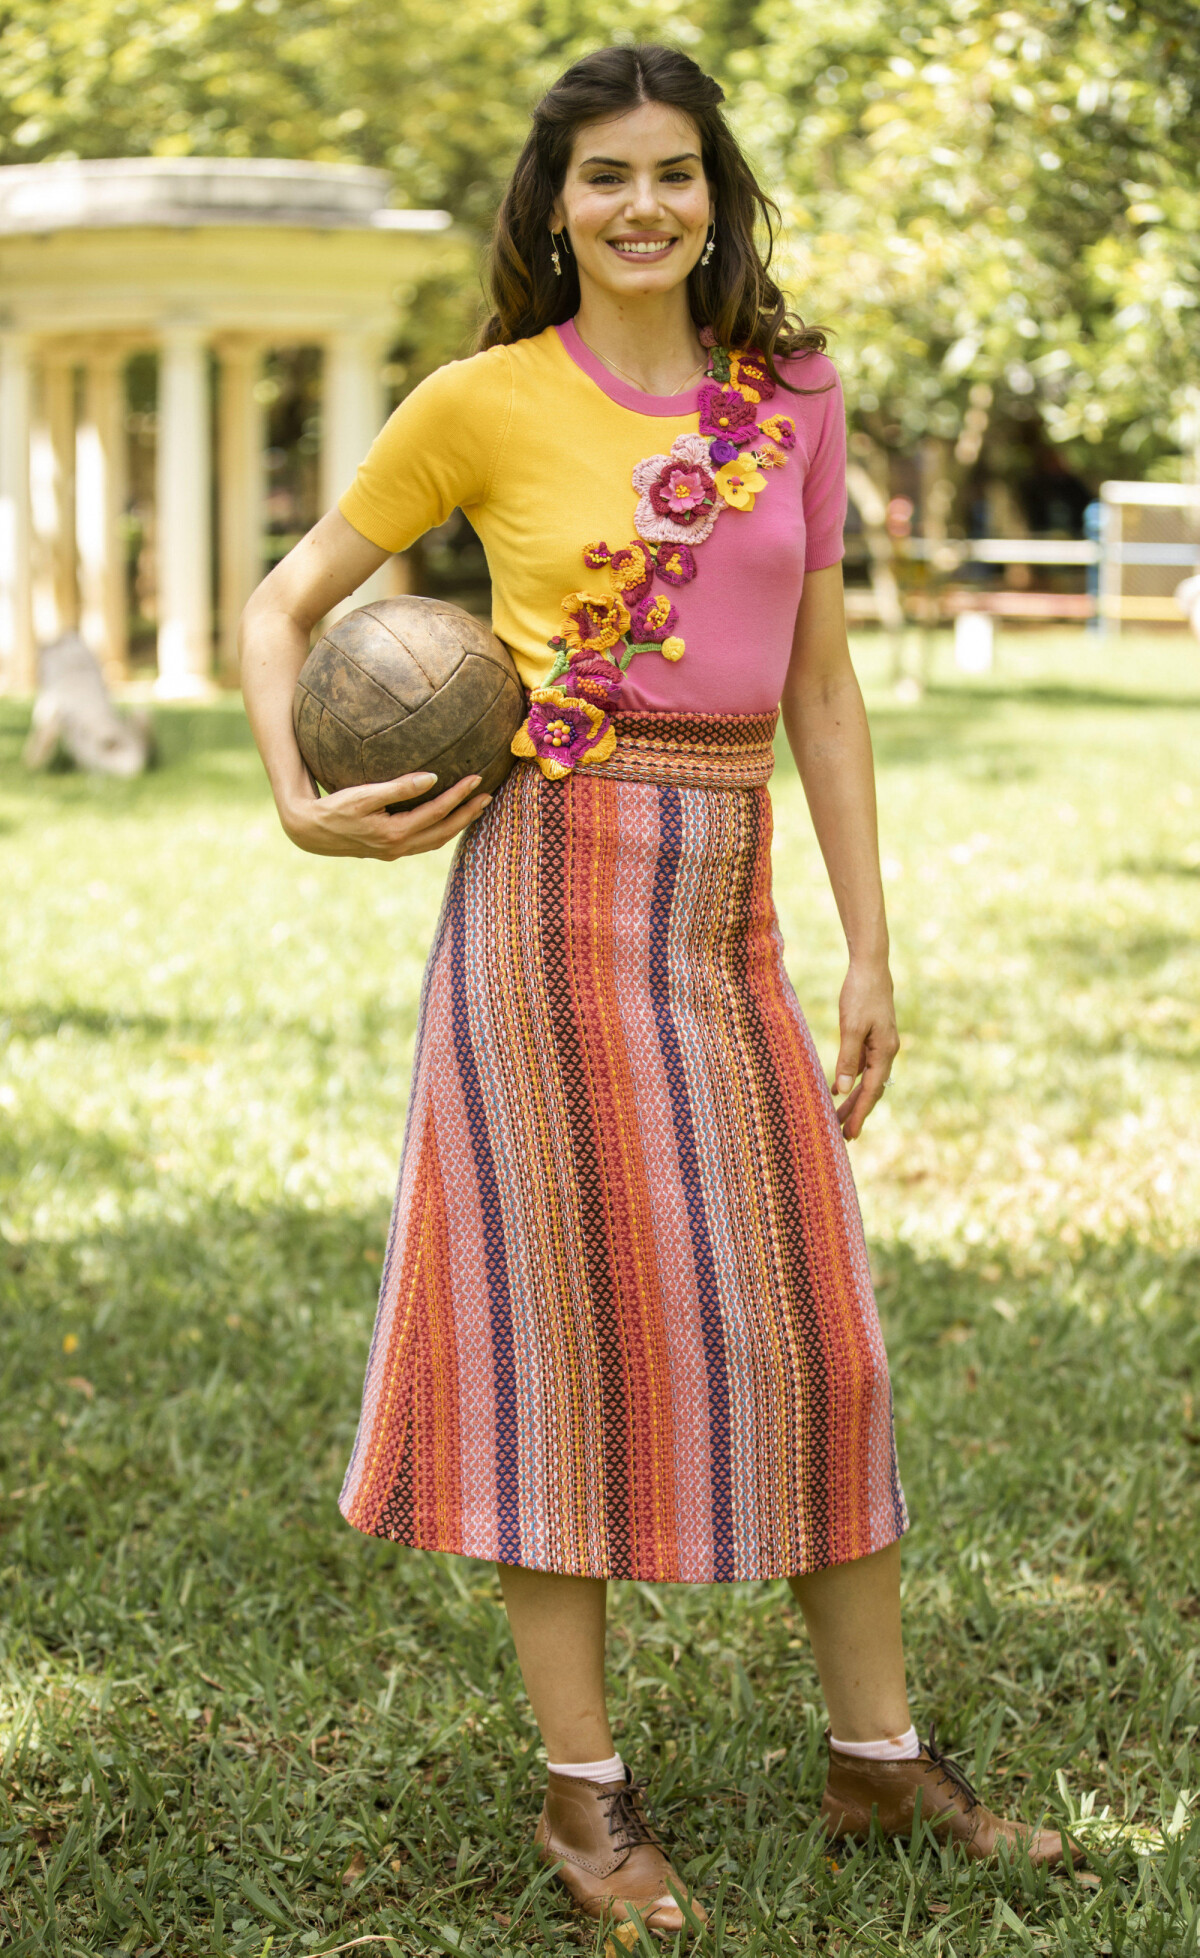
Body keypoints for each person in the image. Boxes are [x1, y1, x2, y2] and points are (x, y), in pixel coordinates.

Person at [240, 42, 1079, 1936]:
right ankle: (584, 1795)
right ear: (553, 205)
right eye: (605, 176)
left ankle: (880, 1760)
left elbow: (824, 686)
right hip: (539, 902)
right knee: (560, 1344)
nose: (644, 207)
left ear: (717, 192)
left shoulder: (791, 394)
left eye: (676, 174)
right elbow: (283, 602)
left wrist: (872, 942)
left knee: (820, 1328)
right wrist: (303, 806)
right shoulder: (479, 400)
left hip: (726, 906)